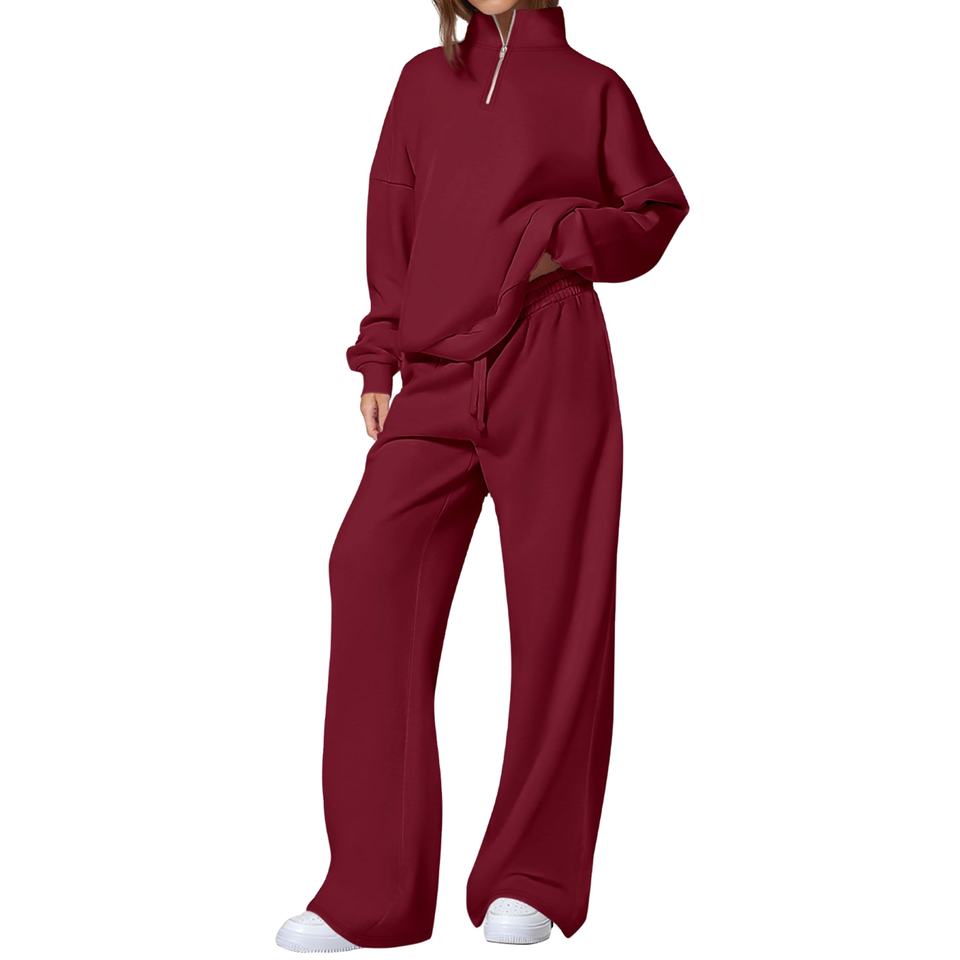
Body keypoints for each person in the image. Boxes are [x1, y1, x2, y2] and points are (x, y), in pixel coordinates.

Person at [276, 0, 689, 951]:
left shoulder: (593, 90)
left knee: (559, 608)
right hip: (432, 370)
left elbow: (656, 210)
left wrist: (560, 241)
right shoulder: (424, 82)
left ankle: (532, 876)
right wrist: (379, 358)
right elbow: (393, 225)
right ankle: (372, 893)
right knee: (367, 568)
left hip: (554, 355)